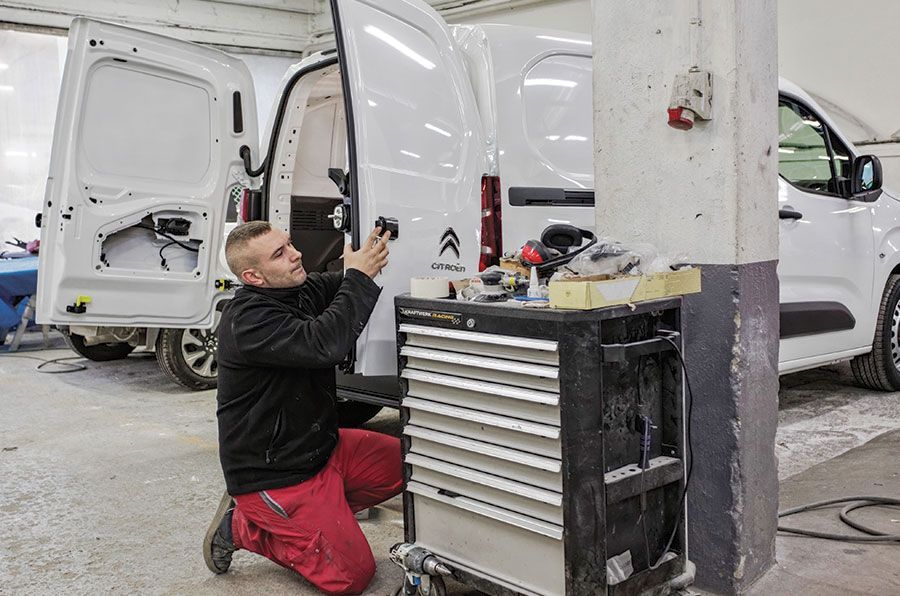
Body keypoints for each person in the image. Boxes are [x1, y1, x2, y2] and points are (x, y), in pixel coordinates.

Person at [203, 220, 401, 595]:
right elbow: (324, 343)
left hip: (321, 451)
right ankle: (244, 527)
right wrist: (358, 278)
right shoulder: (247, 321)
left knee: (413, 462)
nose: (296, 255)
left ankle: (317, 522)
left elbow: (343, 284)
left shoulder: (297, 289)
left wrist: (360, 265)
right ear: (253, 277)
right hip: (276, 475)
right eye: (280, 253)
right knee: (352, 576)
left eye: (290, 244)